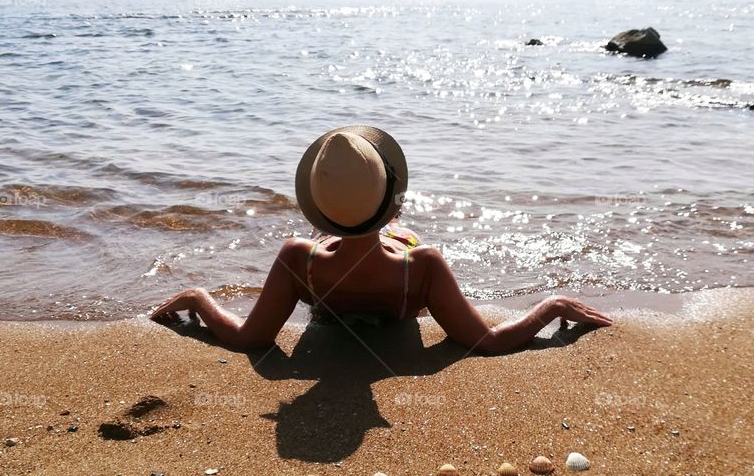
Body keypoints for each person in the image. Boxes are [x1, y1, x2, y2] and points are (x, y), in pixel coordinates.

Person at [150, 125, 612, 353]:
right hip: (397, 270)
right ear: (394, 202)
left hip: (327, 286)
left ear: (317, 207)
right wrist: (550, 306)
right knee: (403, 240)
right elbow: (486, 341)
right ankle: (374, 227)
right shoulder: (423, 265)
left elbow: (249, 339)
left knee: (346, 239)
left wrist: (199, 298)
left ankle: (358, 225)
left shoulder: (297, 257)